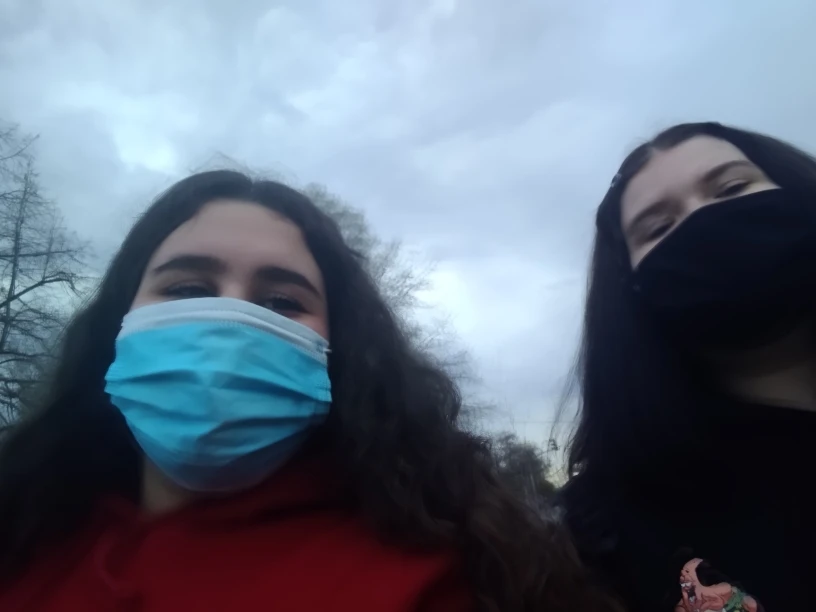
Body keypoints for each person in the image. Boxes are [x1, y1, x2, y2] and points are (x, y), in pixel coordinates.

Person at [0, 170, 617, 612]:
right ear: (118, 322)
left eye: (280, 301)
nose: (232, 323)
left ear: (337, 348)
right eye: (187, 289)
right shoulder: (26, 533)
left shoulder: (442, 582)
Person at [560, 121, 816, 612]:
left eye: (732, 188)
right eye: (658, 228)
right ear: (630, 290)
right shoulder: (606, 534)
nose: (704, 220)